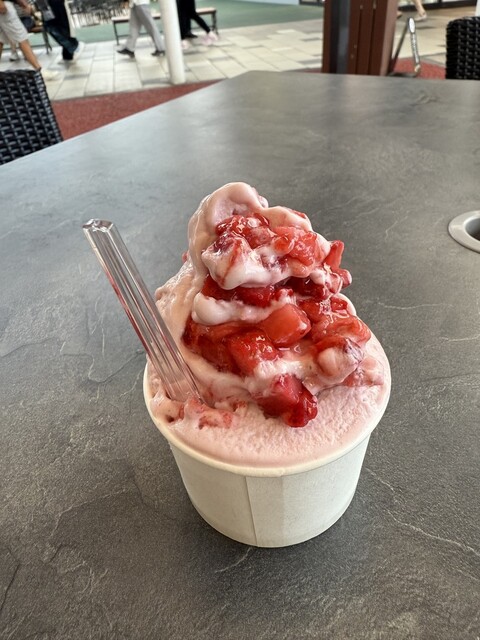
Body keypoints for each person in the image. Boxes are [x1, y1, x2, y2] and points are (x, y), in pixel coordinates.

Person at [0, 0, 56, 78]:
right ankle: (39, 69)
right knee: (22, 38)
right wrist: (22, 3)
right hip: (4, 8)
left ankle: (39, 69)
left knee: (1, 40)